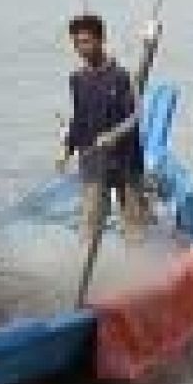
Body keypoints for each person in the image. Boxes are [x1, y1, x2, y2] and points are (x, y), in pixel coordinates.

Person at [58, 13, 144, 243]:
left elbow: (135, 117)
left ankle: (135, 272)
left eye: (85, 41)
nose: (80, 48)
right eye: (76, 43)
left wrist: (114, 134)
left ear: (101, 39)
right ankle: (84, 275)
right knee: (89, 224)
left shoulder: (122, 77)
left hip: (126, 161)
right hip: (93, 161)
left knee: (133, 227)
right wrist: (66, 150)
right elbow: (78, 120)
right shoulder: (77, 79)